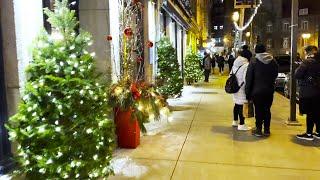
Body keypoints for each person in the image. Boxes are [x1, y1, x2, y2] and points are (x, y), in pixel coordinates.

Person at [245, 44, 278, 137]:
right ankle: (267, 130)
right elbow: (275, 73)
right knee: (267, 109)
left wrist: (247, 92)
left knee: (258, 110)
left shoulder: (254, 61)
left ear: (256, 51)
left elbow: (249, 78)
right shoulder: (273, 61)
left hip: (257, 91)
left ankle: (258, 129)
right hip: (269, 90)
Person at [295, 46, 320, 141]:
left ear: (308, 52)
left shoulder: (307, 62)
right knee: (318, 112)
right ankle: (318, 132)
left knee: (310, 113)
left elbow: (297, 75)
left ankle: (309, 134)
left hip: (308, 92)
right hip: (318, 92)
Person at [231, 51, 251, 131]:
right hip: (242, 88)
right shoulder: (246, 65)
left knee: (236, 104)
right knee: (242, 106)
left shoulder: (235, 63)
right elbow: (246, 78)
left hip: (235, 87)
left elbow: (231, 74)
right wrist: (248, 88)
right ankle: (242, 124)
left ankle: (235, 121)